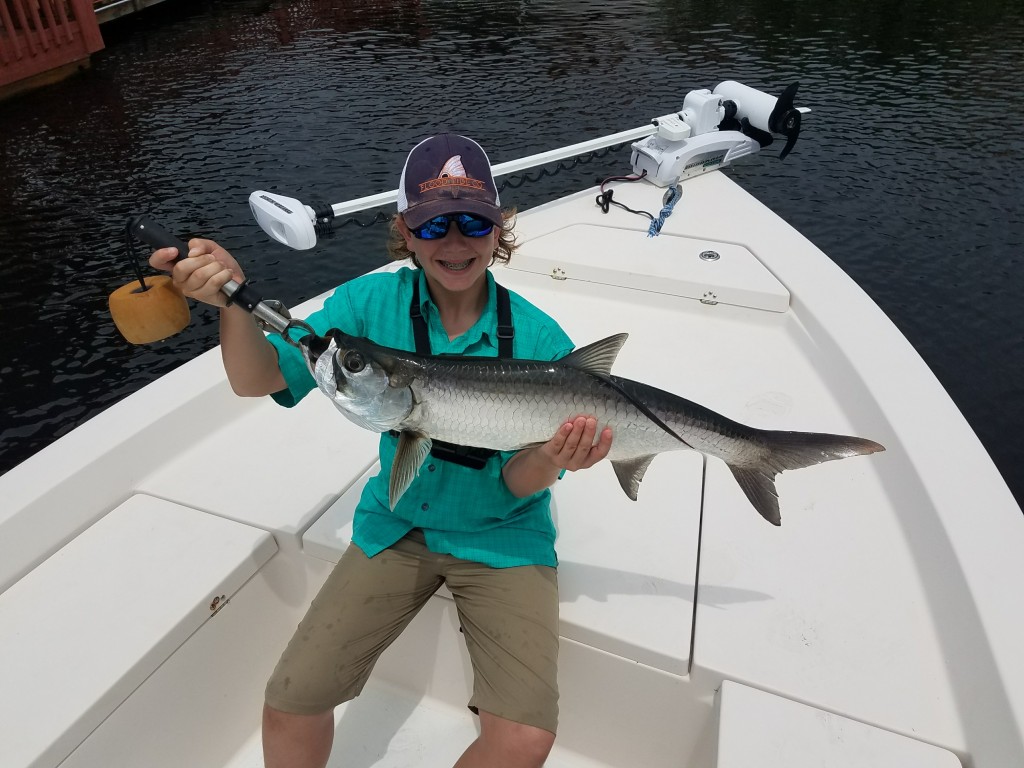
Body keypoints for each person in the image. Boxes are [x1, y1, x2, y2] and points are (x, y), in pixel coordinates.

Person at [149, 133, 613, 768]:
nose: (455, 242)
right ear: (406, 232)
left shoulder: (537, 338)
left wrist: (557, 456)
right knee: (290, 699)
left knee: (525, 738)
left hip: (503, 536)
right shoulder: (368, 305)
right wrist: (230, 301)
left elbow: (519, 483)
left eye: (474, 222)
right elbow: (255, 379)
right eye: (433, 224)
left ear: (498, 229)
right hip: (398, 524)